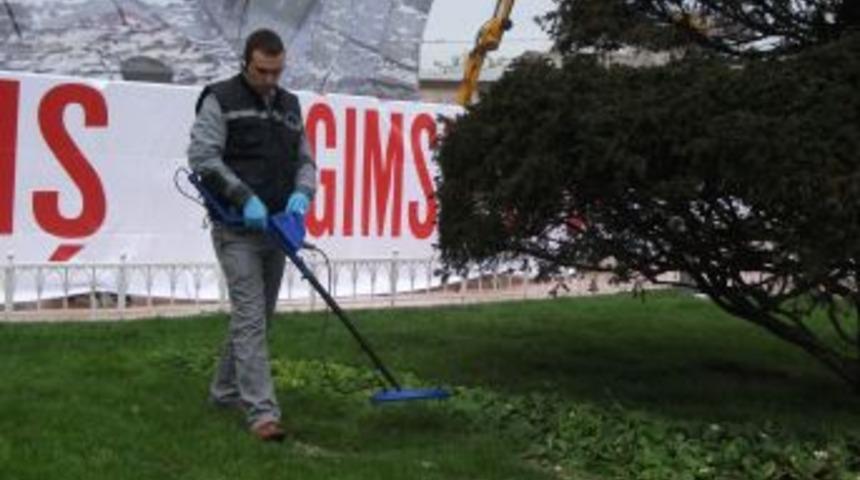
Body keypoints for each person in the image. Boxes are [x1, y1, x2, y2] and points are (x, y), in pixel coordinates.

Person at [187, 28, 316, 442]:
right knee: (250, 318)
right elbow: (203, 157)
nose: (271, 81)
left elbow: (305, 160)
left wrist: (302, 192)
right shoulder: (220, 99)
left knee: (258, 317)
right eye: (263, 72)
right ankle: (263, 414)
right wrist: (244, 198)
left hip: (277, 227)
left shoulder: (291, 105)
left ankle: (224, 391)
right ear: (247, 62)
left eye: (277, 72)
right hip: (236, 228)